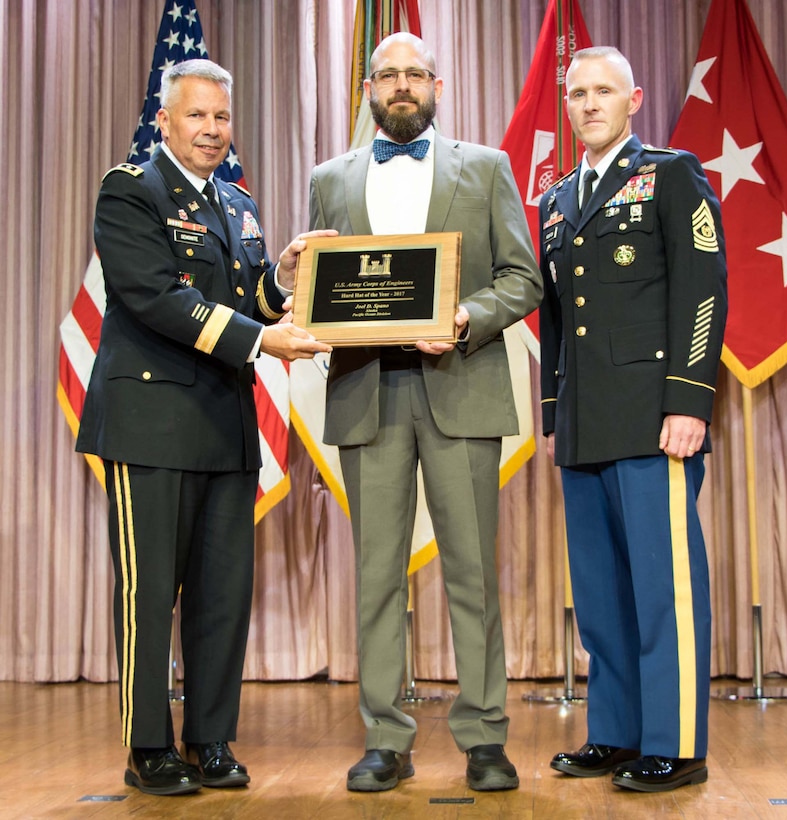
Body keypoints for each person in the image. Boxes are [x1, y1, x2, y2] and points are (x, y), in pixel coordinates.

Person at [76, 59, 333, 796]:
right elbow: (154, 296)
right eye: (197, 116)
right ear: (164, 120)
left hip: (224, 421)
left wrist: (280, 278)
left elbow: (243, 296)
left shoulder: (238, 205)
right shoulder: (129, 190)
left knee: (224, 594)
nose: (212, 131)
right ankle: (148, 746)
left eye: (221, 118)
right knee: (149, 592)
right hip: (149, 425)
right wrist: (262, 340)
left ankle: (210, 739)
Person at [308, 32, 543, 793]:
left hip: (461, 386)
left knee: (472, 573)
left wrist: (465, 318)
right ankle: (386, 737)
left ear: (437, 84)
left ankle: (483, 738)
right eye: (387, 75)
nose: (401, 85)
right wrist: (296, 279)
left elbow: (522, 278)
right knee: (376, 574)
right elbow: (321, 290)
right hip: (365, 392)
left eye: (414, 74)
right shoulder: (328, 179)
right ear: (369, 89)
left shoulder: (486, 167)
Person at [538, 47, 727, 793]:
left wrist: (688, 400)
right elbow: (556, 319)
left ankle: (676, 742)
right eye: (577, 93)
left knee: (661, 587)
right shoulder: (556, 200)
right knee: (602, 593)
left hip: (654, 417)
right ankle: (614, 731)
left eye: (603, 91)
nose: (588, 104)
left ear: (634, 99)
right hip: (584, 422)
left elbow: (703, 291)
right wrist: (554, 411)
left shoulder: (671, 173)